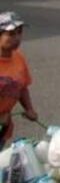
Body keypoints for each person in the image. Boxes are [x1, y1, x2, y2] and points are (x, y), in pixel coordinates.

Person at [0, 11, 38, 147]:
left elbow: (21, 87)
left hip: (3, 127)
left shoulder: (18, 57)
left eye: (19, 32)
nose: (17, 38)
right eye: (11, 34)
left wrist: (29, 109)